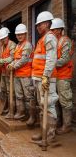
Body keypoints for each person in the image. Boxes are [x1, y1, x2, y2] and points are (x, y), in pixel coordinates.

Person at [31, 11, 59, 143]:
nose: (37, 27)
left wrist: (46, 76)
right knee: (43, 106)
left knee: (48, 105)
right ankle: (43, 132)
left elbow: (51, 59)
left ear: (47, 23)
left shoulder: (49, 37)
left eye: (39, 24)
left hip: (46, 78)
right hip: (39, 78)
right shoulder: (42, 39)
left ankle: (50, 135)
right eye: (37, 25)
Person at [7, 24, 35, 122]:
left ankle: (31, 116)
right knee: (19, 95)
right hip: (17, 75)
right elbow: (16, 59)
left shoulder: (27, 45)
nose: (19, 36)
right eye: (18, 34)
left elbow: (24, 59)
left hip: (26, 75)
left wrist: (13, 66)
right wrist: (11, 64)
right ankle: (21, 112)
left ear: (25, 34)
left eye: (21, 34)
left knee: (28, 96)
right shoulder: (18, 45)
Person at [50, 18, 74, 135]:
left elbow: (65, 59)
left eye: (53, 29)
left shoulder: (65, 41)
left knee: (65, 101)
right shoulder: (54, 41)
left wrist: (51, 64)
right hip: (55, 75)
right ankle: (58, 122)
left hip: (63, 75)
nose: (52, 31)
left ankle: (67, 125)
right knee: (56, 100)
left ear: (59, 29)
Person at [0, 27, 16, 119]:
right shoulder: (2, 47)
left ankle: (12, 110)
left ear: (7, 37)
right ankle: (5, 107)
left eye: (3, 39)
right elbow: (2, 58)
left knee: (10, 92)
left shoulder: (12, 45)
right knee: (3, 90)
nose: (2, 41)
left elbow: (12, 58)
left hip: (10, 73)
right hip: (3, 72)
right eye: (1, 40)